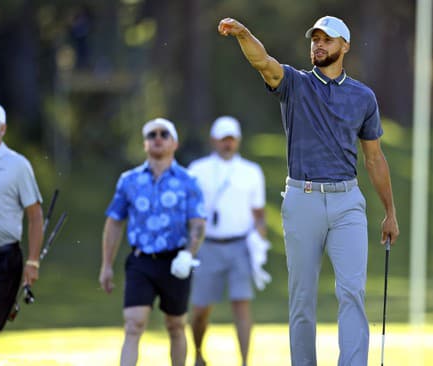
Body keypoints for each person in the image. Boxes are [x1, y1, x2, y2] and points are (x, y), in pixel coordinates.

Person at [218, 15, 400, 365]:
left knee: (352, 292)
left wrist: (390, 212)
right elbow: (263, 62)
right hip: (302, 200)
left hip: (347, 202)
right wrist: (244, 33)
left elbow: (375, 160)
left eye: (327, 39)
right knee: (302, 299)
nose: (319, 44)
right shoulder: (295, 83)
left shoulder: (363, 97)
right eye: (315, 38)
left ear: (344, 46)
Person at [99, 118, 206, 366]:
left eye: (164, 134)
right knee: (134, 324)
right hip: (141, 261)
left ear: (174, 143)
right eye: (152, 135)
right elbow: (114, 222)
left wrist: (189, 254)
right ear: (145, 144)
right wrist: (106, 265)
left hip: (176, 261)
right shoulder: (129, 180)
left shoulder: (189, 181)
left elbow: (198, 224)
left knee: (176, 325)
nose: (157, 138)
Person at [187, 116, 269, 366]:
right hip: (208, 245)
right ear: (214, 140)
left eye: (231, 139)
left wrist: (260, 242)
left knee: (241, 305)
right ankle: (199, 353)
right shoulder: (197, 169)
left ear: (238, 141)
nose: (227, 144)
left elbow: (259, 215)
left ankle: (245, 362)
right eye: (223, 139)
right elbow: (189, 212)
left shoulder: (251, 172)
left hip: (240, 245)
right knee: (200, 308)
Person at [0, 99, 44, 354]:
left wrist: (33, 261)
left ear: (2, 129)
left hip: (2, 258)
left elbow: (35, 215)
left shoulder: (18, 165)